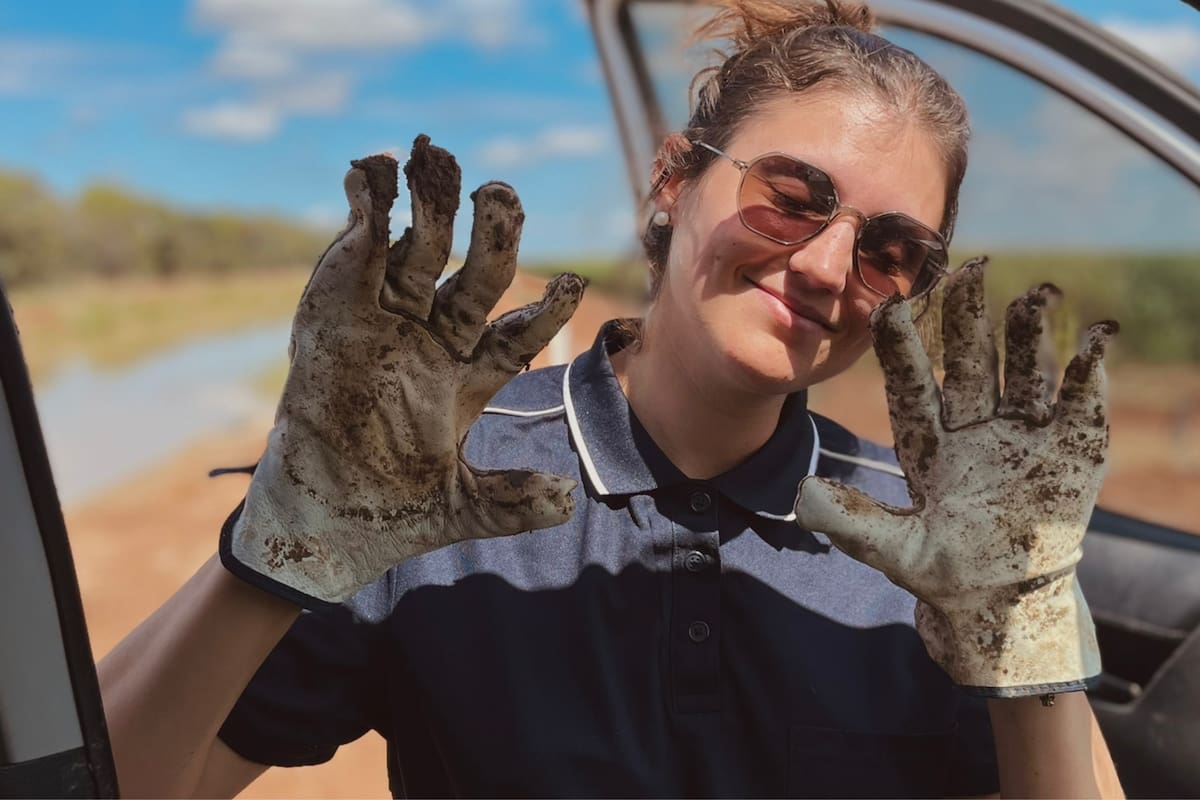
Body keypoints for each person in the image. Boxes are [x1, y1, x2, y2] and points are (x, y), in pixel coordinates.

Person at [97, 1, 1125, 796]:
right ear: (674, 181)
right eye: (789, 198)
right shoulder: (428, 472)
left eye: (890, 250)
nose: (823, 265)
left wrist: (1028, 641)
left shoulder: (942, 535)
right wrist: (277, 548)